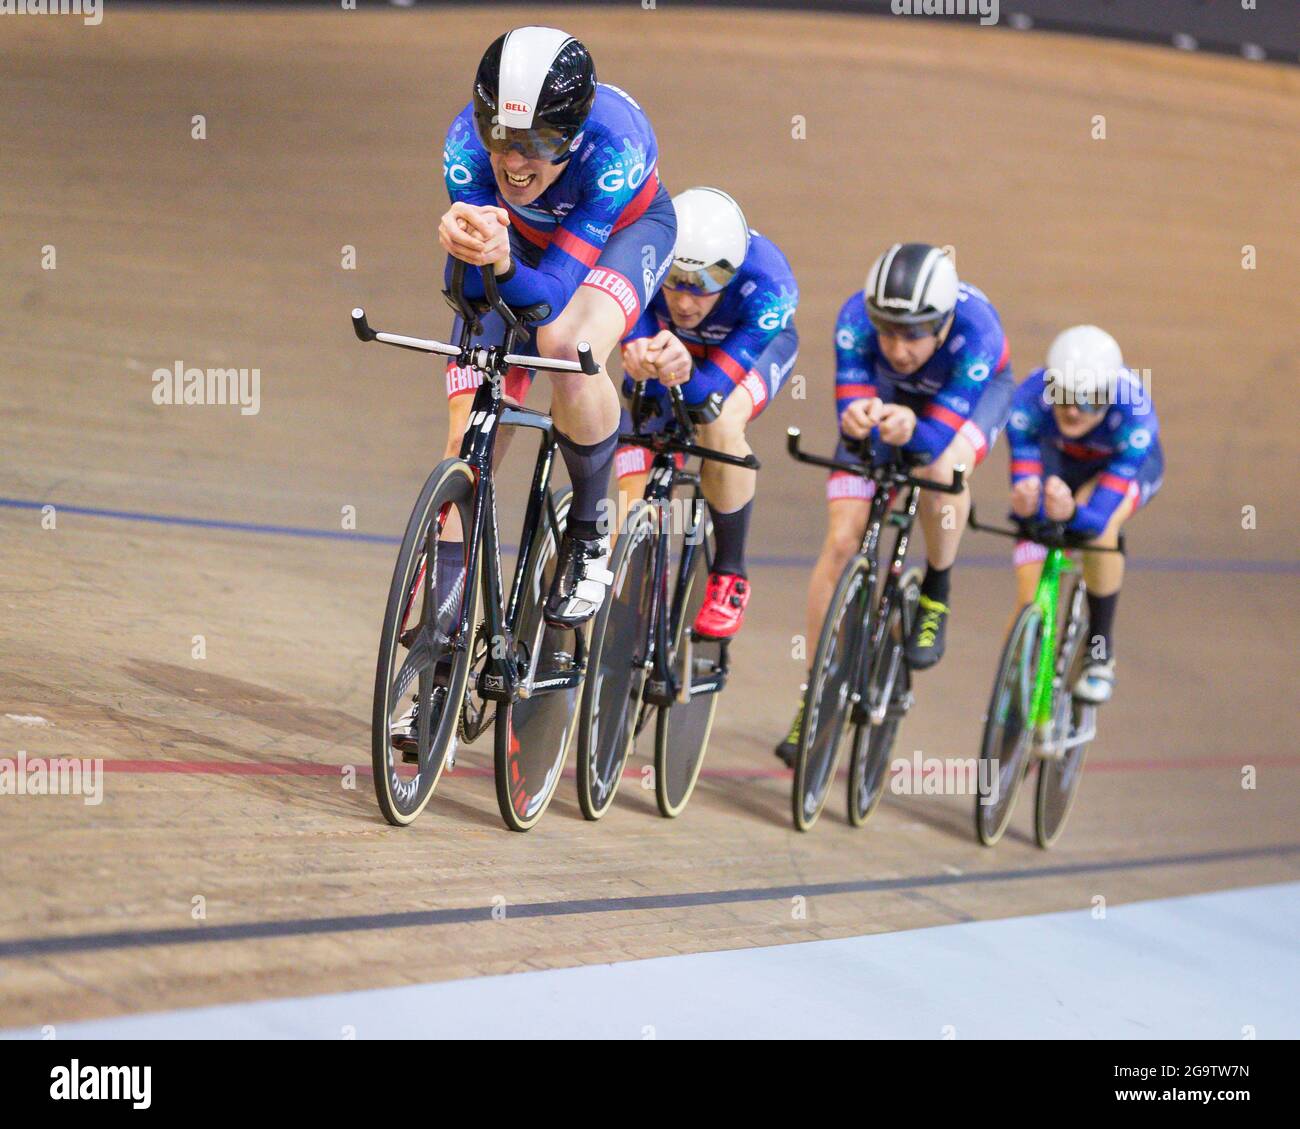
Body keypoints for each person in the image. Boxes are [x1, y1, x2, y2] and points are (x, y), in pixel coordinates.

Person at [437, 25, 677, 629]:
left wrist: (496, 260)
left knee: (568, 345)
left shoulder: (615, 146)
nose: (515, 162)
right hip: (522, 244)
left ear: (570, 134)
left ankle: (591, 532)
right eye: (502, 137)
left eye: (539, 142)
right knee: (465, 445)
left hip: (623, 234)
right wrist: (469, 256)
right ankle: (439, 635)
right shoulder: (465, 144)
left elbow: (547, 303)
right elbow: (470, 297)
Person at [776, 243, 1014, 765]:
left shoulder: (978, 335)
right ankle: (813, 696)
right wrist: (858, 419)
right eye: (887, 331)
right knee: (842, 541)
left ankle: (937, 587)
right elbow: (851, 412)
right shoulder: (853, 319)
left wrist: (917, 431)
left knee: (938, 468)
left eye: (912, 335)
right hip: (890, 400)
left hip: (968, 400)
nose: (898, 347)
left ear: (944, 324)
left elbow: (930, 440)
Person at [615, 187, 799, 638]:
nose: (683, 299)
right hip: (673, 347)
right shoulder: (643, 246)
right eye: (673, 277)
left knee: (717, 420)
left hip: (747, 352)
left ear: (732, 275)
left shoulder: (770, 285)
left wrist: (677, 372)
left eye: (702, 285)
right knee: (637, 429)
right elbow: (623, 328)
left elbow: (706, 393)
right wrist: (633, 351)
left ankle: (729, 574)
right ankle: (628, 591)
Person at [1005, 325, 1163, 703]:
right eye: (1063, 395)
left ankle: (1099, 650)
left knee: (1100, 531)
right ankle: (1016, 686)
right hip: (1061, 460)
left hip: (1119, 469)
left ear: (1108, 396)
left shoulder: (1135, 415)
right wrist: (1029, 508)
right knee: (1028, 593)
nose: (1074, 410)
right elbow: (1027, 487)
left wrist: (1074, 511)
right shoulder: (1028, 400)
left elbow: (1095, 518)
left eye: (1089, 400)